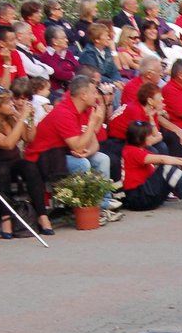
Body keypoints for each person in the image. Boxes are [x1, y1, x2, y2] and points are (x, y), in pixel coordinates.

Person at [25, 76, 120, 223]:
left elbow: (93, 142)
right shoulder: (64, 112)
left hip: (63, 153)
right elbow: (78, 146)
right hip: (45, 157)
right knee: (82, 164)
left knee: (102, 158)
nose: (96, 96)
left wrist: (90, 151)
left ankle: (104, 206)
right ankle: (83, 208)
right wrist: (93, 123)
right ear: (83, 95)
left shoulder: (85, 110)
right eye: (94, 92)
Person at [0, 86, 54, 238]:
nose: (12, 104)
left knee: (30, 167)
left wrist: (28, 118)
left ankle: (42, 215)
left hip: (12, 161)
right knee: (1, 170)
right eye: (7, 102)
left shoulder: (12, 118)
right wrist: (21, 118)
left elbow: (29, 138)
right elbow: (8, 144)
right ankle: (6, 219)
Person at [121, 120, 182, 212]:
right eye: (149, 135)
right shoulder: (131, 151)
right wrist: (181, 161)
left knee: (174, 166)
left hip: (146, 194)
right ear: (140, 138)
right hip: (138, 198)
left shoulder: (140, 150)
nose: (153, 137)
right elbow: (162, 160)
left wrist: (181, 161)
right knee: (167, 167)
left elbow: (164, 158)